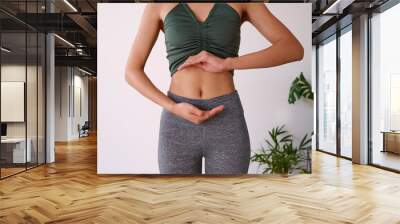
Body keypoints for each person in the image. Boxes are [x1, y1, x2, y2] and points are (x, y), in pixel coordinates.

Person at [124, 3, 304, 174]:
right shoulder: (157, 5)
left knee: (226, 201)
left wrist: (228, 63)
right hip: (177, 122)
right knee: (177, 201)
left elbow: (293, 49)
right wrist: (172, 107)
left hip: (226, 118)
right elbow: (132, 71)